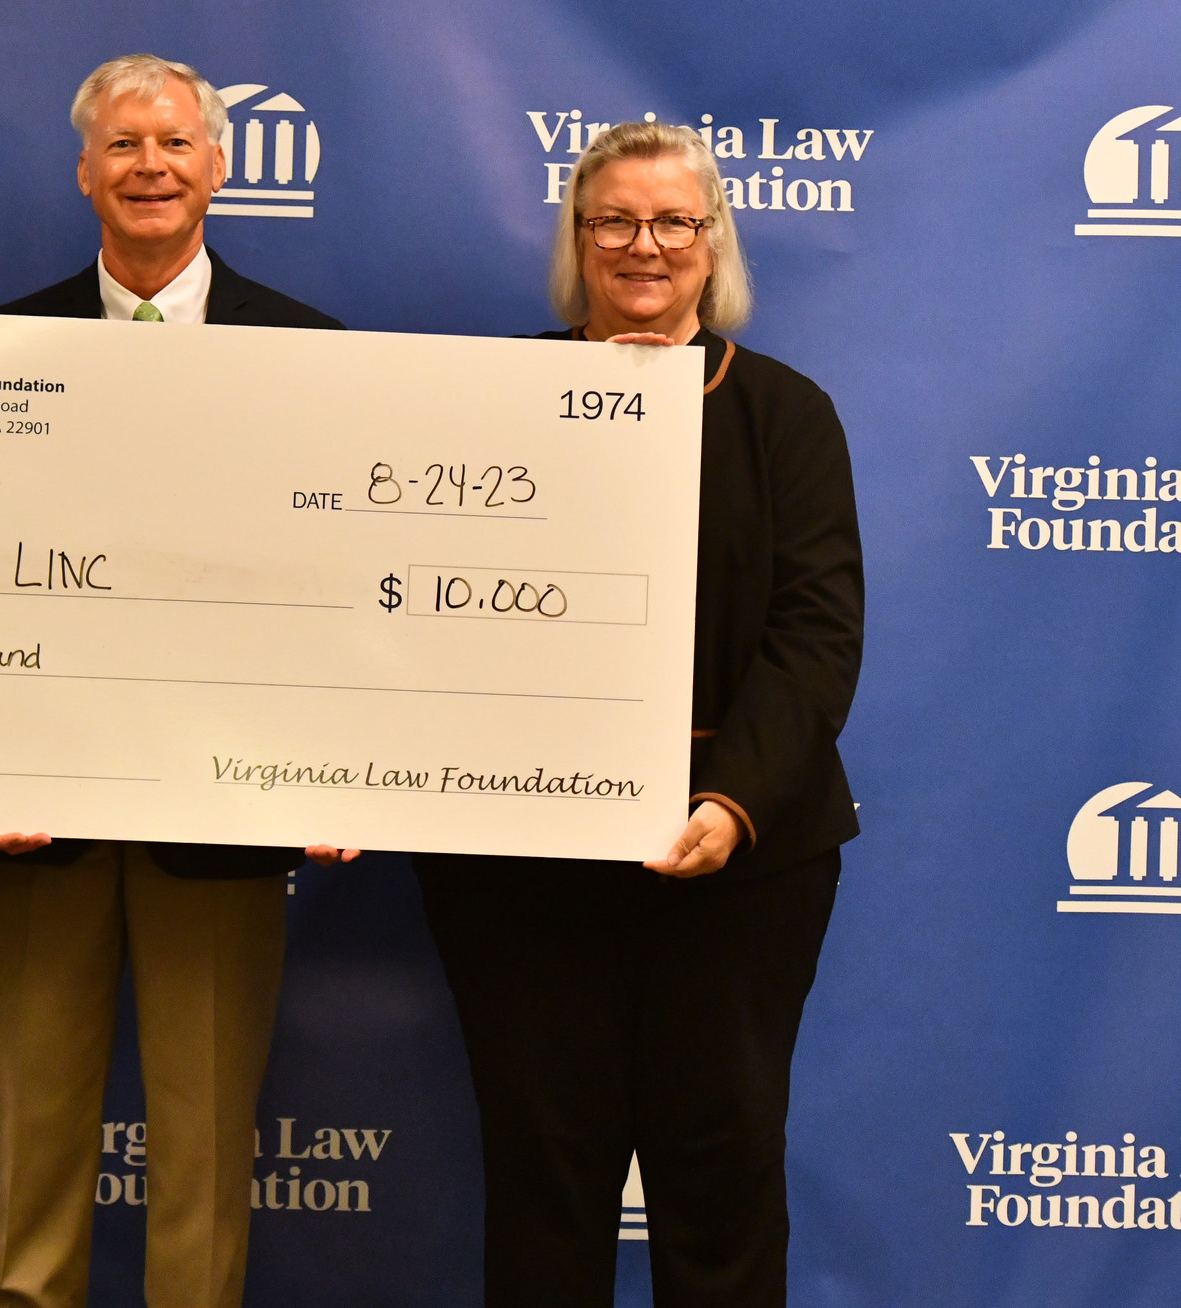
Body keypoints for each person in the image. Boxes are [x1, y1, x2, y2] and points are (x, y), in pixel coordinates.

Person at [413, 120, 864, 1307]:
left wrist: (732, 804)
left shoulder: (784, 414)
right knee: (542, 1180)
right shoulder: (484, 402)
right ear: (576, 241)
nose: (642, 246)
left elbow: (815, 636)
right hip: (521, 859)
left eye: (672, 221)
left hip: (735, 865)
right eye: (611, 221)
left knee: (720, 1180)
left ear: (713, 243)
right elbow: (410, 609)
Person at [0, 54, 357, 1308]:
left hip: (226, 818)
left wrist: (340, 770)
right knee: (30, 1146)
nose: (150, 166)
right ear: (84, 172)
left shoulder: (309, 352)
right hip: (36, 811)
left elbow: (341, 589)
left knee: (202, 1158)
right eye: (124, 146)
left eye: (174, 143)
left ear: (218, 168)